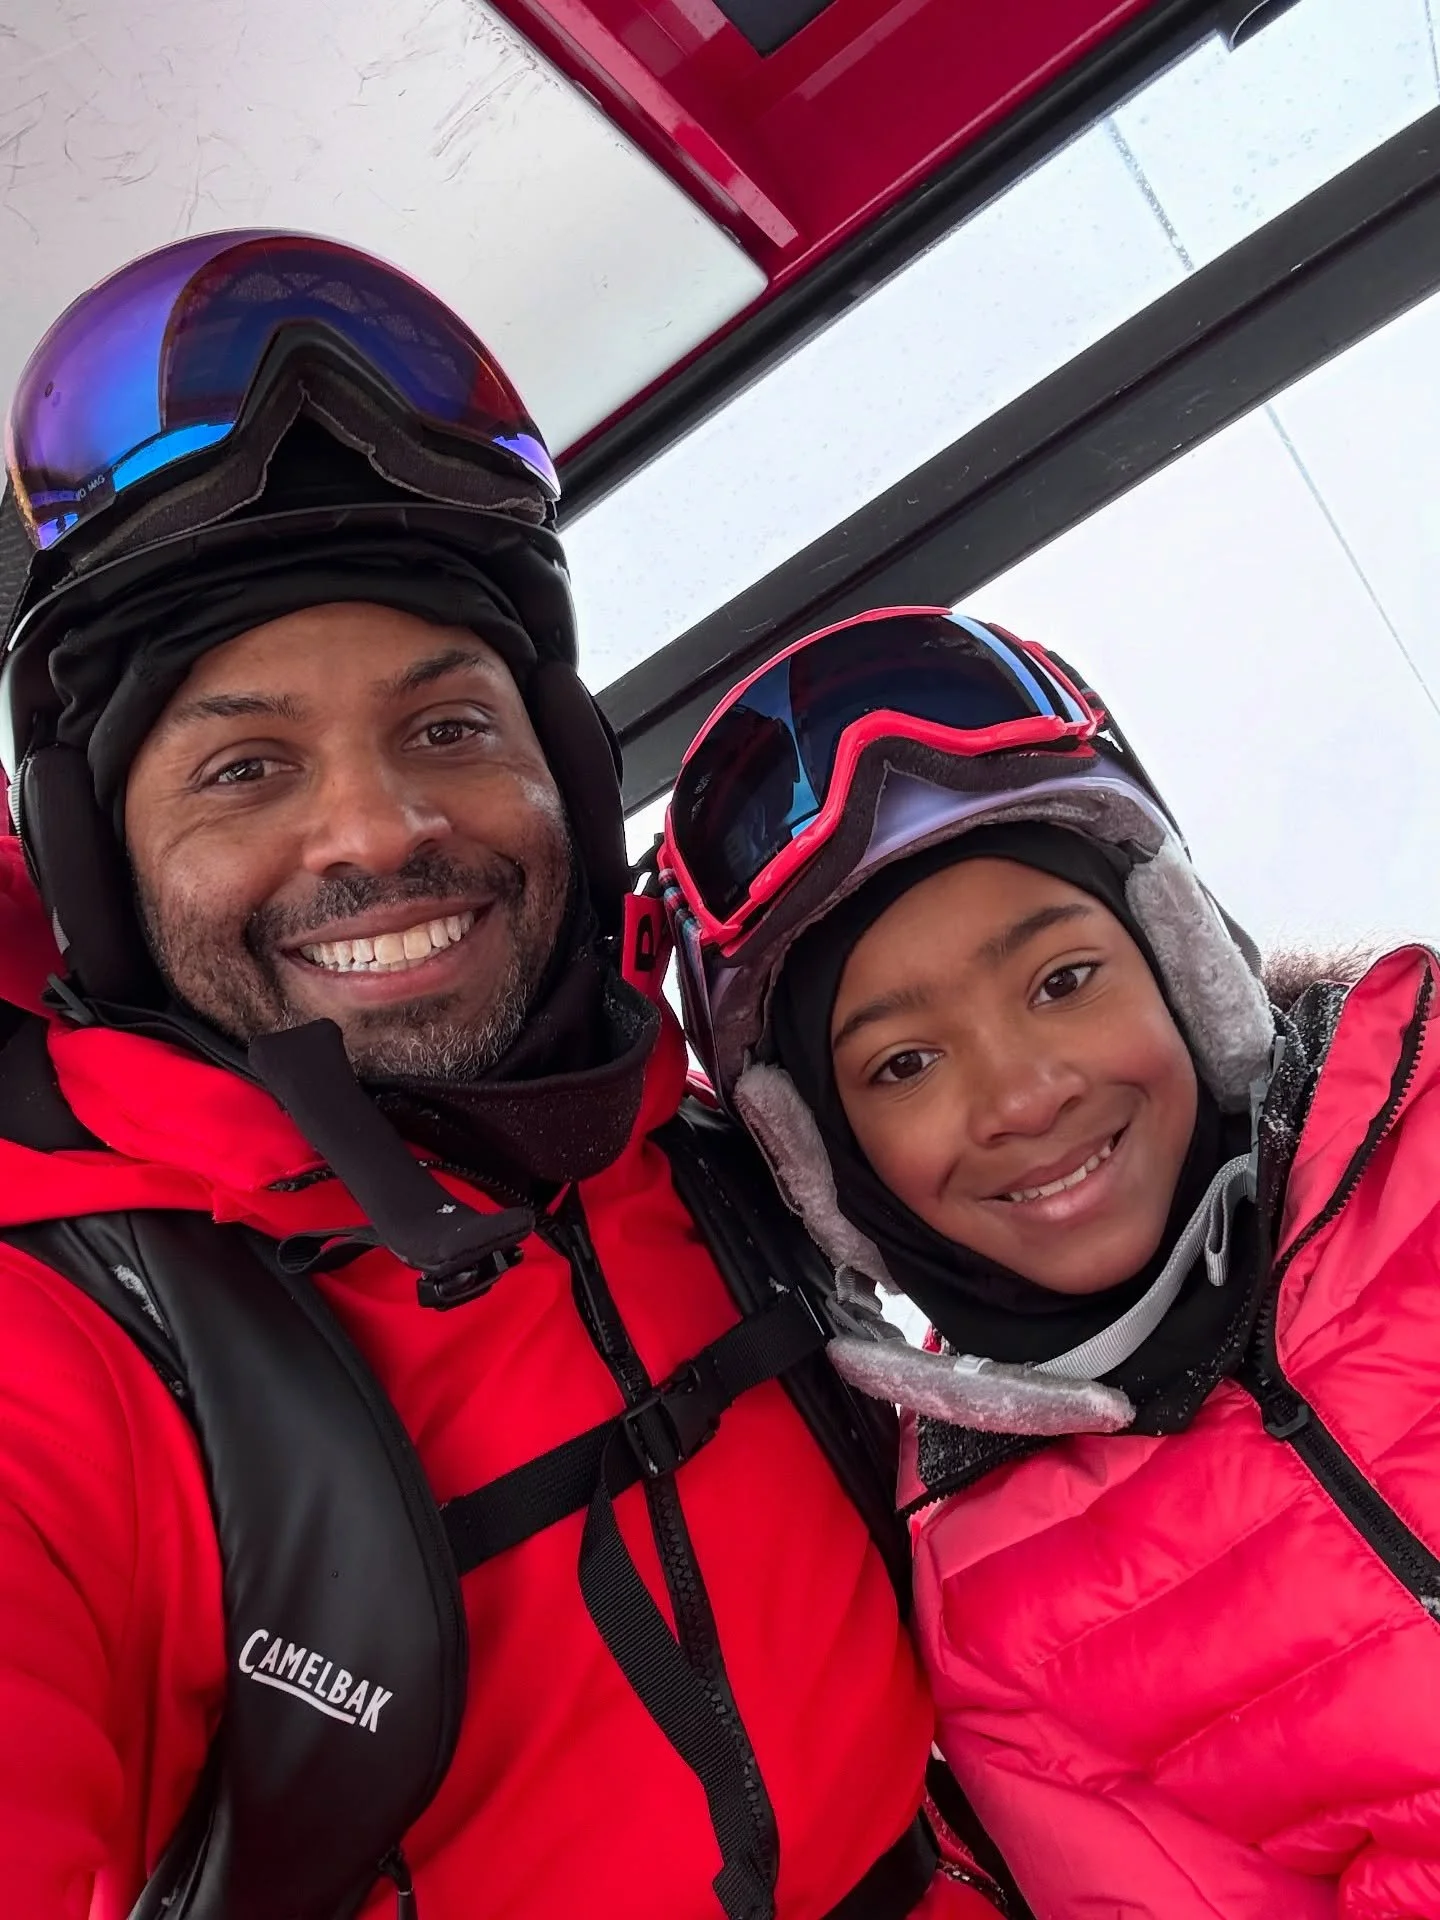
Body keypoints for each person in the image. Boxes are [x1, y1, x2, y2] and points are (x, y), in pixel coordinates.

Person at [0, 238, 1007, 1920]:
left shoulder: (721, 1148)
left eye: (450, 728)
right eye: (246, 767)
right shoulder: (67, 1359)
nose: (381, 829)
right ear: (100, 867)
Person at [660, 603, 1440, 1919]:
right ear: (826, 1165)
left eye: (1062, 981)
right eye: (906, 1063)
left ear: (1183, 958)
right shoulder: (995, 1611)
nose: (1023, 1096)